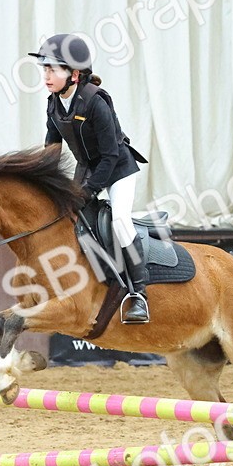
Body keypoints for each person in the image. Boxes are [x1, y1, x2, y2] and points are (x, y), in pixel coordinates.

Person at [29, 33, 151, 323]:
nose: (46, 75)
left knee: (120, 222)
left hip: (118, 168)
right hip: (86, 168)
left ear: (73, 74)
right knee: (68, 222)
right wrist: (44, 184)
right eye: (44, 69)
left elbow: (110, 156)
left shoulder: (96, 102)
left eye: (52, 69)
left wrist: (88, 191)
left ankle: (139, 294)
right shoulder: (54, 103)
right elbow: (52, 149)